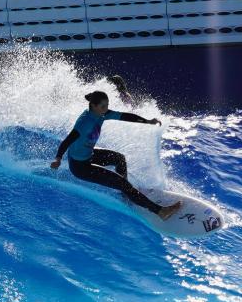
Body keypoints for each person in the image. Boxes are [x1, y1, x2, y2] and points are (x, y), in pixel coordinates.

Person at [50, 91, 181, 220]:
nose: (106, 109)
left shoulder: (101, 114)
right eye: (103, 106)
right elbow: (67, 141)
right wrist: (58, 159)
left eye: (107, 105)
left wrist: (147, 121)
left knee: (119, 159)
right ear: (94, 106)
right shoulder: (84, 123)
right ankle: (160, 212)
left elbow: (124, 116)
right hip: (80, 167)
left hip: (88, 154)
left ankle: (126, 193)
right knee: (122, 183)